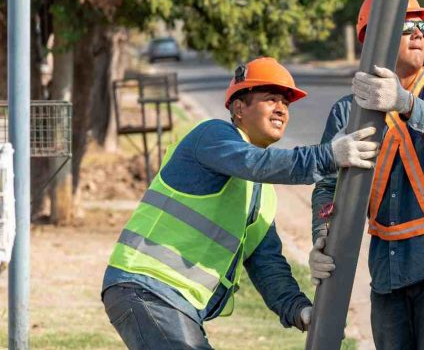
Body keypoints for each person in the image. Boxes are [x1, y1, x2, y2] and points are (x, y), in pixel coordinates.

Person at [101, 57, 379, 349]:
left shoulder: (261, 195)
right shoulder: (211, 137)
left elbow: (265, 262)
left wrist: (299, 310)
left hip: (177, 303)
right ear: (238, 108)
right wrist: (329, 156)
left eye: (285, 103)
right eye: (270, 98)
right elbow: (255, 162)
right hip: (146, 286)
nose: (281, 109)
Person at [309, 0, 424, 349]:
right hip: (389, 270)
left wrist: (403, 102)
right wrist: (320, 234)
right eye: (407, 26)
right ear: (373, 40)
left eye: (422, 25)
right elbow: (328, 184)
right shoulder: (348, 112)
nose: (419, 33)